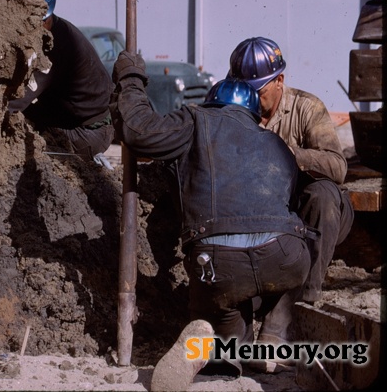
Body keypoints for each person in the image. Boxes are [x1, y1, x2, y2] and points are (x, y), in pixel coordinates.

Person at [111, 57, 312, 389]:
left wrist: (131, 78)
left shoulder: (195, 120)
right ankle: (272, 335)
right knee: (299, 251)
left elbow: (138, 132)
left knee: (225, 316)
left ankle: (211, 344)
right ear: (254, 115)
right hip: (283, 259)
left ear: (211, 104)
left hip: (218, 265)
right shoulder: (276, 144)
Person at [228, 36, 354, 353]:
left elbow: (338, 167)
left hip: (312, 215)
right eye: (243, 90)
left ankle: (293, 310)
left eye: (257, 91)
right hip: (265, 218)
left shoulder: (306, 107)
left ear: (280, 80)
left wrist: (288, 153)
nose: (249, 99)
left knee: (323, 194)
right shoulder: (233, 110)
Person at [9, 0, 114, 162]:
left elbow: (18, 100)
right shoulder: (56, 29)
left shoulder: (55, 46)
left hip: (87, 133)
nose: (38, 27)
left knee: (23, 145)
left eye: (42, 21)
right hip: (71, 119)